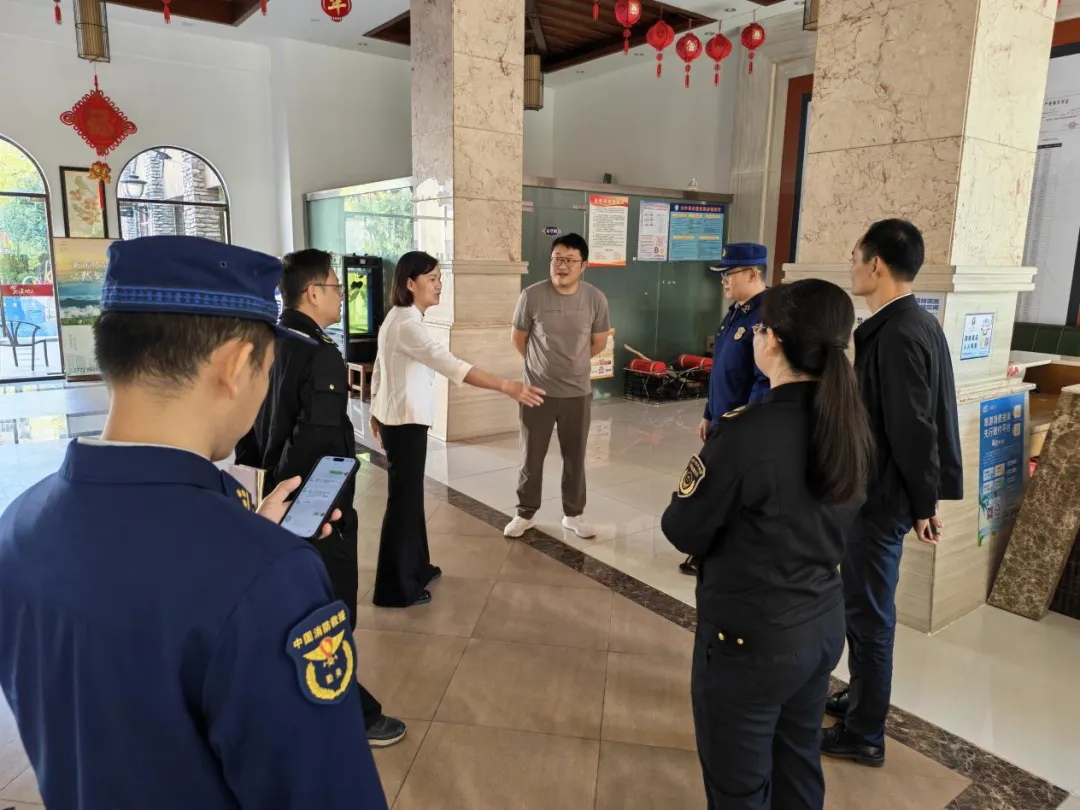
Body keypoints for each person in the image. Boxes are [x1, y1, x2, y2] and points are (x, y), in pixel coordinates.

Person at [0, 236, 388, 810]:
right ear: (234, 365)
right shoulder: (270, 578)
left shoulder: (18, 526)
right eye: (267, 368)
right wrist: (259, 562)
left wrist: (249, 541)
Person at [661, 279, 873, 810]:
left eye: (759, 328)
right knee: (797, 763)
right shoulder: (850, 424)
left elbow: (682, 528)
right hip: (820, 625)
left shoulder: (746, 433)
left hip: (749, 641)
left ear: (773, 340)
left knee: (738, 787)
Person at [235, 248, 406, 748]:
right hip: (313, 508)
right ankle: (343, 707)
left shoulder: (271, 339)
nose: (340, 296)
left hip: (274, 496)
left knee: (293, 602)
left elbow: (253, 428)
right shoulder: (320, 352)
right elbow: (320, 444)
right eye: (335, 286)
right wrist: (315, 517)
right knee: (331, 610)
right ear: (312, 292)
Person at [821, 219, 963, 767]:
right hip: (885, 492)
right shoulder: (911, 322)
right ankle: (860, 698)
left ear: (876, 264)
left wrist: (923, 504)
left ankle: (864, 732)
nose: (852, 265)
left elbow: (914, 428)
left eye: (856, 256)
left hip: (880, 498)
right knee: (864, 605)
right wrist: (924, 501)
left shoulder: (899, 332)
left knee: (869, 613)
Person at [368, 251, 544, 607]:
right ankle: (395, 590)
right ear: (410, 284)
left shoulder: (401, 318)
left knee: (410, 500)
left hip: (399, 419)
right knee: (403, 504)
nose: (439, 285)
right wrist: (506, 385)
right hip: (404, 423)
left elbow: (380, 368)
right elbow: (452, 365)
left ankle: (417, 568)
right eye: (432, 279)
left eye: (440, 277)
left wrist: (374, 410)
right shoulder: (407, 325)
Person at [503, 233, 611, 540]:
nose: (561, 266)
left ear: (583, 265)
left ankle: (573, 514)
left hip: (578, 393)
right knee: (531, 456)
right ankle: (525, 514)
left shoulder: (595, 299)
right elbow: (518, 338)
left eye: (569, 260)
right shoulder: (532, 296)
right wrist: (540, 368)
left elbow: (599, 341)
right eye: (557, 259)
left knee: (575, 457)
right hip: (536, 392)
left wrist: (573, 365)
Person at [680, 242, 771, 577]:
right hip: (722, 420)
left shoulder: (767, 317)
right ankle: (708, 548)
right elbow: (722, 371)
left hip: (742, 426)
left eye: (729, 274)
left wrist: (745, 425)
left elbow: (764, 380)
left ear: (753, 273)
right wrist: (709, 412)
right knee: (716, 487)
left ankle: (714, 552)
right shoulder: (736, 312)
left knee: (727, 490)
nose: (723, 281)